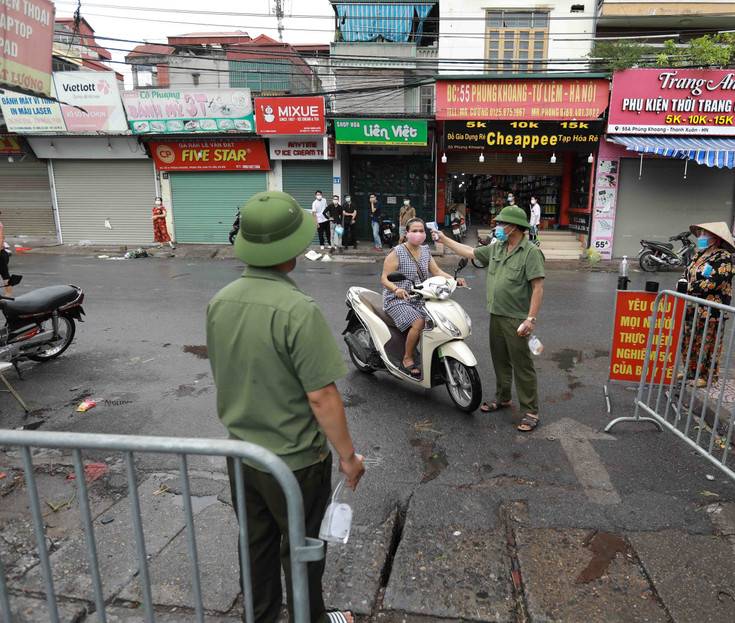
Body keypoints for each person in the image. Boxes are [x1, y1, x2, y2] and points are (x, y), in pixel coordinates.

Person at [207, 190, 364, 623]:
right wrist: (348, 457)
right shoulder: (298, 309)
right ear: (292, 248)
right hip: (295, 461)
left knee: (255, 543)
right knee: (303, 547)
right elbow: (322, 396)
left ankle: (261, 617)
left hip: (242, 455)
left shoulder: (220, 301)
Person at [433, 206, 545, 432]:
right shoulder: (497, 247)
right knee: (500, 360)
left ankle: (531, 411)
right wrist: (445, 240)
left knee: (522, 365)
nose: (498, 227)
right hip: (497, 314)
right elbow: (470, 252)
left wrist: (531, 319)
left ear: (514, 227)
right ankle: (503, 398)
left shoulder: (531, 252)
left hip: (516, 317)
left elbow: (537, 288)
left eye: (502, 224)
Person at [381, 218, 465, 377]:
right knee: (419, 321)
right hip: (398, 299)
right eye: (414, 231)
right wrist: (396, 289)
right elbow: (385, 278)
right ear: (407, 233)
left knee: (438, 320)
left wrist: (454, 280)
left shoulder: (425, 250)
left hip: (421, 297)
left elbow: (437, 272)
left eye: (421, 231)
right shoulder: (397, 252)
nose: (418, 234)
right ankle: (407, 358)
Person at [678, 222, 735, 389]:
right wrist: (682, 283)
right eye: (701, 233)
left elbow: (715, 282)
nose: (701, 237)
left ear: (716, 239)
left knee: (708, 342)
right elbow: (686, 273)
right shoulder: (699, 255)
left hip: (711, 309)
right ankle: (690, 370)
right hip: (692, 306)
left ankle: (707, 376)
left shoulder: (723, 257)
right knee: (689, 339)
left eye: (705, 234)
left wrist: (689, 287)